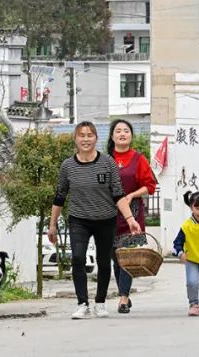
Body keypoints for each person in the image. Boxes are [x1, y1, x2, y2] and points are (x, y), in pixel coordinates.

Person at [49, 122, 141, 320]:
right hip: (78, 220)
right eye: (81, 135)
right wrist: (52, 225)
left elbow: (118, 195)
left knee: (104, 261)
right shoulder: (68, 166)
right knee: (78, 258)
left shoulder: (107, 163)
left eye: (89, 135)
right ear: (75, 139)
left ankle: (100, 302)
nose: (85, 139)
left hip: (106, 219)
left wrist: (130, 219)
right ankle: (82, 303)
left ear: (96, 139)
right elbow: (59, 197)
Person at [107, 118, 158, 314]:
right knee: (115, 258)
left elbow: (150, 185)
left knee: (126, 257)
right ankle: (123, 293)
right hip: (109, 215)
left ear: (131, 135)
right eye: (118, 130)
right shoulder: (105, 159)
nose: (122, 134)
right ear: (112, 136)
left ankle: (123, 298)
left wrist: (132, 195)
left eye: (126, 131)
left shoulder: (139, 159)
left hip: (132, 215)